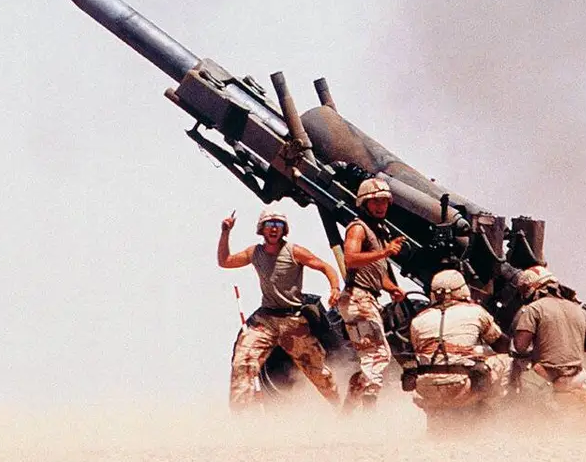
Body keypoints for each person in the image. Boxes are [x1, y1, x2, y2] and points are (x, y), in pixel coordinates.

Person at [218, 208, 343, 410]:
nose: (274, 228)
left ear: (284, 229)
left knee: (317, 372)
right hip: (266, 320)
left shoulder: (294, 251)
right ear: (262, 229)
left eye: (278, 225)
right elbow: (225, 262)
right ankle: (241, 419)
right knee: (243, 363)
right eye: (269, 224)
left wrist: (335, 288)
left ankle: (342, 409)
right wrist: (225, 232)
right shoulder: (255, 253)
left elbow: (325, 267)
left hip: (292, 321)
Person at [338, 177, 406, 412]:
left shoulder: (378, 232)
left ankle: (348, 410)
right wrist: (385, 252)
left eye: (384, 201)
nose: (381, 206)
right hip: (358, 298)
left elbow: (376, 272)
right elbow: (350, 259)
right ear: (364, 203)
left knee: (371, 357)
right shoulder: (358, 228)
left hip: (364, 298)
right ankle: (369, 409)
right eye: (375, 201)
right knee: (379, 354)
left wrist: (391, 287)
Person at [408, 270, 511, 413]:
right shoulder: (475, 311)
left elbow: (418, 352)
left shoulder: (418, 320)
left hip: (427, 389)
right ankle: (496, 410)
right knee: (506, 359)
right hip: (461, 386)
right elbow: (502, 345)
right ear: (462, 289)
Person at [510, 266, 586, 393]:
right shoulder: (578, 310)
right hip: (578, 378)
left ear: (531, 288)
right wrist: (570, 344)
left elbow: (520, 347)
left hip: (547, 378)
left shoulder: (533, 309)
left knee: (514, 368)